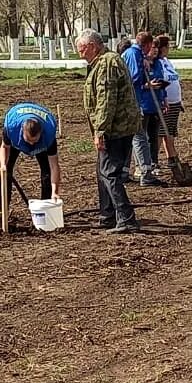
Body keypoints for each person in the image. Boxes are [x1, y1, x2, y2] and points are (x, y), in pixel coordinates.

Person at [77, 29, 141, 233]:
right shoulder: (105, 61)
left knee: (109, 172)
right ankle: (107, 215)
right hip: (120, 126)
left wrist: (100, 131)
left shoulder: (105, 64)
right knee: (102, 170)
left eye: (81, 50)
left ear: (93, 46)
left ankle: (126, 217)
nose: (80, 55)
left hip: (116, 128)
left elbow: (106, 100)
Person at [122, 31, 168, 187]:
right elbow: (133, 77)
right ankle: (146, 174)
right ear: (147, 44)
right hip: (134, 102)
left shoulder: (132, 54)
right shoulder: (134, 54)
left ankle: (123, 171)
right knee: (140, 138)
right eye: (151, 46)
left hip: (131, 101)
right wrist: (144, 80)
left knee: (129, 138)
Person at [0, 102, 62, 210]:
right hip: (16, 141)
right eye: (29, 140)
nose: (32, 144)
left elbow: (54, 166)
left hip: (42, 144)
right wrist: (3, 165)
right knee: (5, 171)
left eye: (34, 140)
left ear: (40, 133)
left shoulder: (48, 134)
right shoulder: (11, 128)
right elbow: (4, 147)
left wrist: (55, 192)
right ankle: (2, 209)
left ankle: (46, 206)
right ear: (22, 131)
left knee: (46, 171)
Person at [154, 34, 184, 165]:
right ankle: (152, 162)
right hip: (164, 103)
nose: (169, 49)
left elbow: (174, 79)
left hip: (175, 103)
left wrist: (180, 100)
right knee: (160, 133)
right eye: (168, 46)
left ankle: (171, 157)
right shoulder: (156, 63)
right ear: (163, 48)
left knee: (170, 132)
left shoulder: (167, 61)